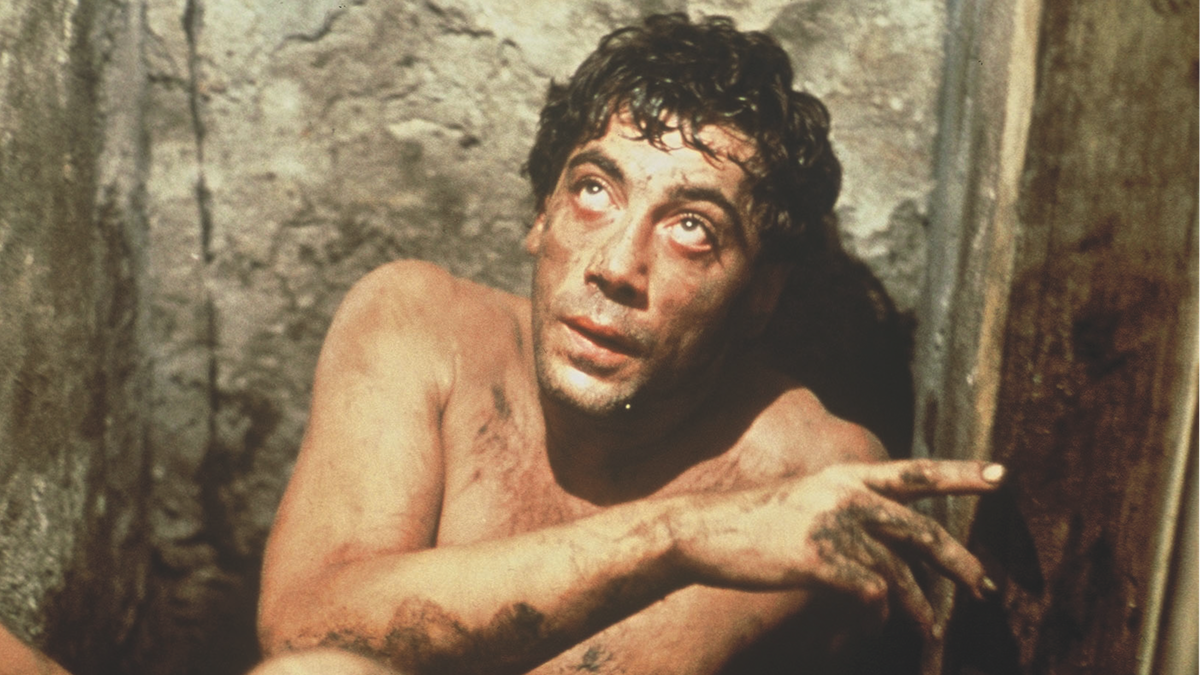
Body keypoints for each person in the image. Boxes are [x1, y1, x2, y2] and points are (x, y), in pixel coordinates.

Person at [255, 13, 1003, 675]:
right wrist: (683, 535)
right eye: (594, 190)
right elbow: (303, 630)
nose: (615, 266)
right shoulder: (419, 326)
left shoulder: (808, 475)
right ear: (542, 213)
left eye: (692, 228)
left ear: (761, 294)